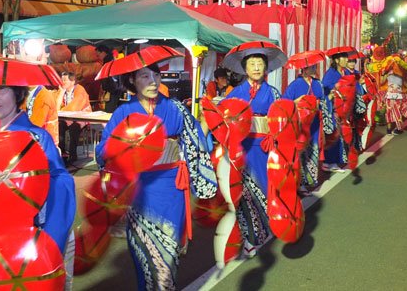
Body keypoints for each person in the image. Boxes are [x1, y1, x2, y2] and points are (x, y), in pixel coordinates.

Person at [95, 47, 217, 290]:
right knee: (144, 256)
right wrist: (124, 145)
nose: (153, 82)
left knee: (168, 255)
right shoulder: (122, 113)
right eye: (144, 76)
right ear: (132, 80)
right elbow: (102, 153)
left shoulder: (176, 109)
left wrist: (206, 125)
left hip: (171, 187)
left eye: (156, 76)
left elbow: (197, 143)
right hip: (137, 191)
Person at [0, 58, 76, 286]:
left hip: (32, 239)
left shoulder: (38, 139)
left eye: (2, 89)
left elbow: (61, 185)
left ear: (18, 92)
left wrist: (50, 239)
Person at [224, 46, 283, 256]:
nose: (257, 68)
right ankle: (249, 238)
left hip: (266, 148)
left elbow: (282, 119)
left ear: (265, 67)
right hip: (243, 149)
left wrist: (275, 135)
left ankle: (265, 228)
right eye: (252, 64)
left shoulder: (273, 92)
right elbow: (222, 119)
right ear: (244, 68)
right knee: (245, 194)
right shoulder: (235, 94)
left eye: (260, 64)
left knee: (268, 189)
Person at [283, 61, 325, 194]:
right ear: (304, 69)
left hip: (314, 124)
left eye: (315, 66)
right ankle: (299, 183)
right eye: (311, 66)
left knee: (313, 150)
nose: (314, 68)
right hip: (300, 124)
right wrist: (297, 101)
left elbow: (322, 99)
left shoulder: (317, 83)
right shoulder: (295, 85)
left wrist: (320, 102)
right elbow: (285, 102)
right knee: (299, 153)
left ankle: (311, 180)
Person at [321, 52, 349, 173]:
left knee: (339, 135)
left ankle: (333, 161)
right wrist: (334, 92)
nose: (347, 60)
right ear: (337, 60)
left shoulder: (344, 72)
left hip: (341, 108)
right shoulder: (330, 74)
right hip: (332, 109)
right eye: (345, 58)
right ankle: (329, 162)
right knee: (333, 135)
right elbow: (325, 91)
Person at [56, 71, 91, 164]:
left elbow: (75, 107)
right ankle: (62, 153)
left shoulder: (80, 89)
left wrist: (60, 111)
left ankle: (72, 154)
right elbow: (56, 107)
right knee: (59, 125)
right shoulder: (62, 90)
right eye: (61, 79)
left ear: (72, 81)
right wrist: (61, 92)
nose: (62, 82)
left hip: (81, 117)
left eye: (65, 80)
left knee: (74, 127)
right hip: (67, 117)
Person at [96, 45, 125, 113]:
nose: (98, 57)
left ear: (103, 52)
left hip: (112, 90)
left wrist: (106, 88)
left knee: (109, 112)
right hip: (118, 89)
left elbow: (109, 78)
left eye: (98, 55)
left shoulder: (108, 62)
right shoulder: (113, 60)